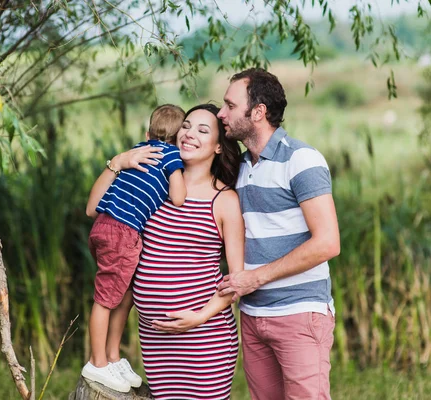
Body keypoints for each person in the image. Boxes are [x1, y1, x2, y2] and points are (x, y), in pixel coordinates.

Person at [90, 104, 244, 399]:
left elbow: (235, 279)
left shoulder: (225, 200)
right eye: (186, 125)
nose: (189, 134)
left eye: (203, 130)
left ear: (218, 148)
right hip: (156, 341)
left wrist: (198, 318)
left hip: (204, 340)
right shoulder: (154, 185)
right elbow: (96, 211)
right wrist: (118, 162)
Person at [217, 68, 341, 400]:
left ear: (257, 112)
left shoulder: (301, 159)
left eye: (230, 105)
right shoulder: (241, 166)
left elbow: (327, 242)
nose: (221, 113)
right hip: (254, 317)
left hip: (299, 313)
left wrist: (254, 278)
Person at [83, 104, 187, 392]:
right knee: (105, 299)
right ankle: (98, 363)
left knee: (125, 294)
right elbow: (178, 198)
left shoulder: (138, 150)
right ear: (179, 140)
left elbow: (92, 208)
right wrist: (178, 172)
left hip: (105, 226)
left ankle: (113, 357)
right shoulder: (172, 157)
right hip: (123, 233)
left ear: (147, 133)